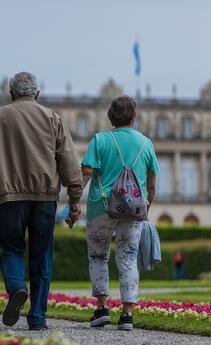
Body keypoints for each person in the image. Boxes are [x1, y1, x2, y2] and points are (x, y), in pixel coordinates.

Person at [0, 72, 83, 330]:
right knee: (41, 254)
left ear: (11, 93)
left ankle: (15, 288)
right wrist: (75, 199)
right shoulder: (52, 118)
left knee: (11, 248)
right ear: (37, 94)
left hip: (8, 197)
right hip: (44, 197)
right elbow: (68, 161)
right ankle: (37, 316)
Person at [79, 96, 159, 331]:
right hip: (134, 210)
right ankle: (127, 314)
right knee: (128, 258)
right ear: (133, 117)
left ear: (110, 117)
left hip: (100, 208)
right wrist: (145, 209)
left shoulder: (100, 140)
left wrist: (73, 201)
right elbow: (152, 184)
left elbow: (86, 173)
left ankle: (102, 308)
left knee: (97, 256)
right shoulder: (146, 143)